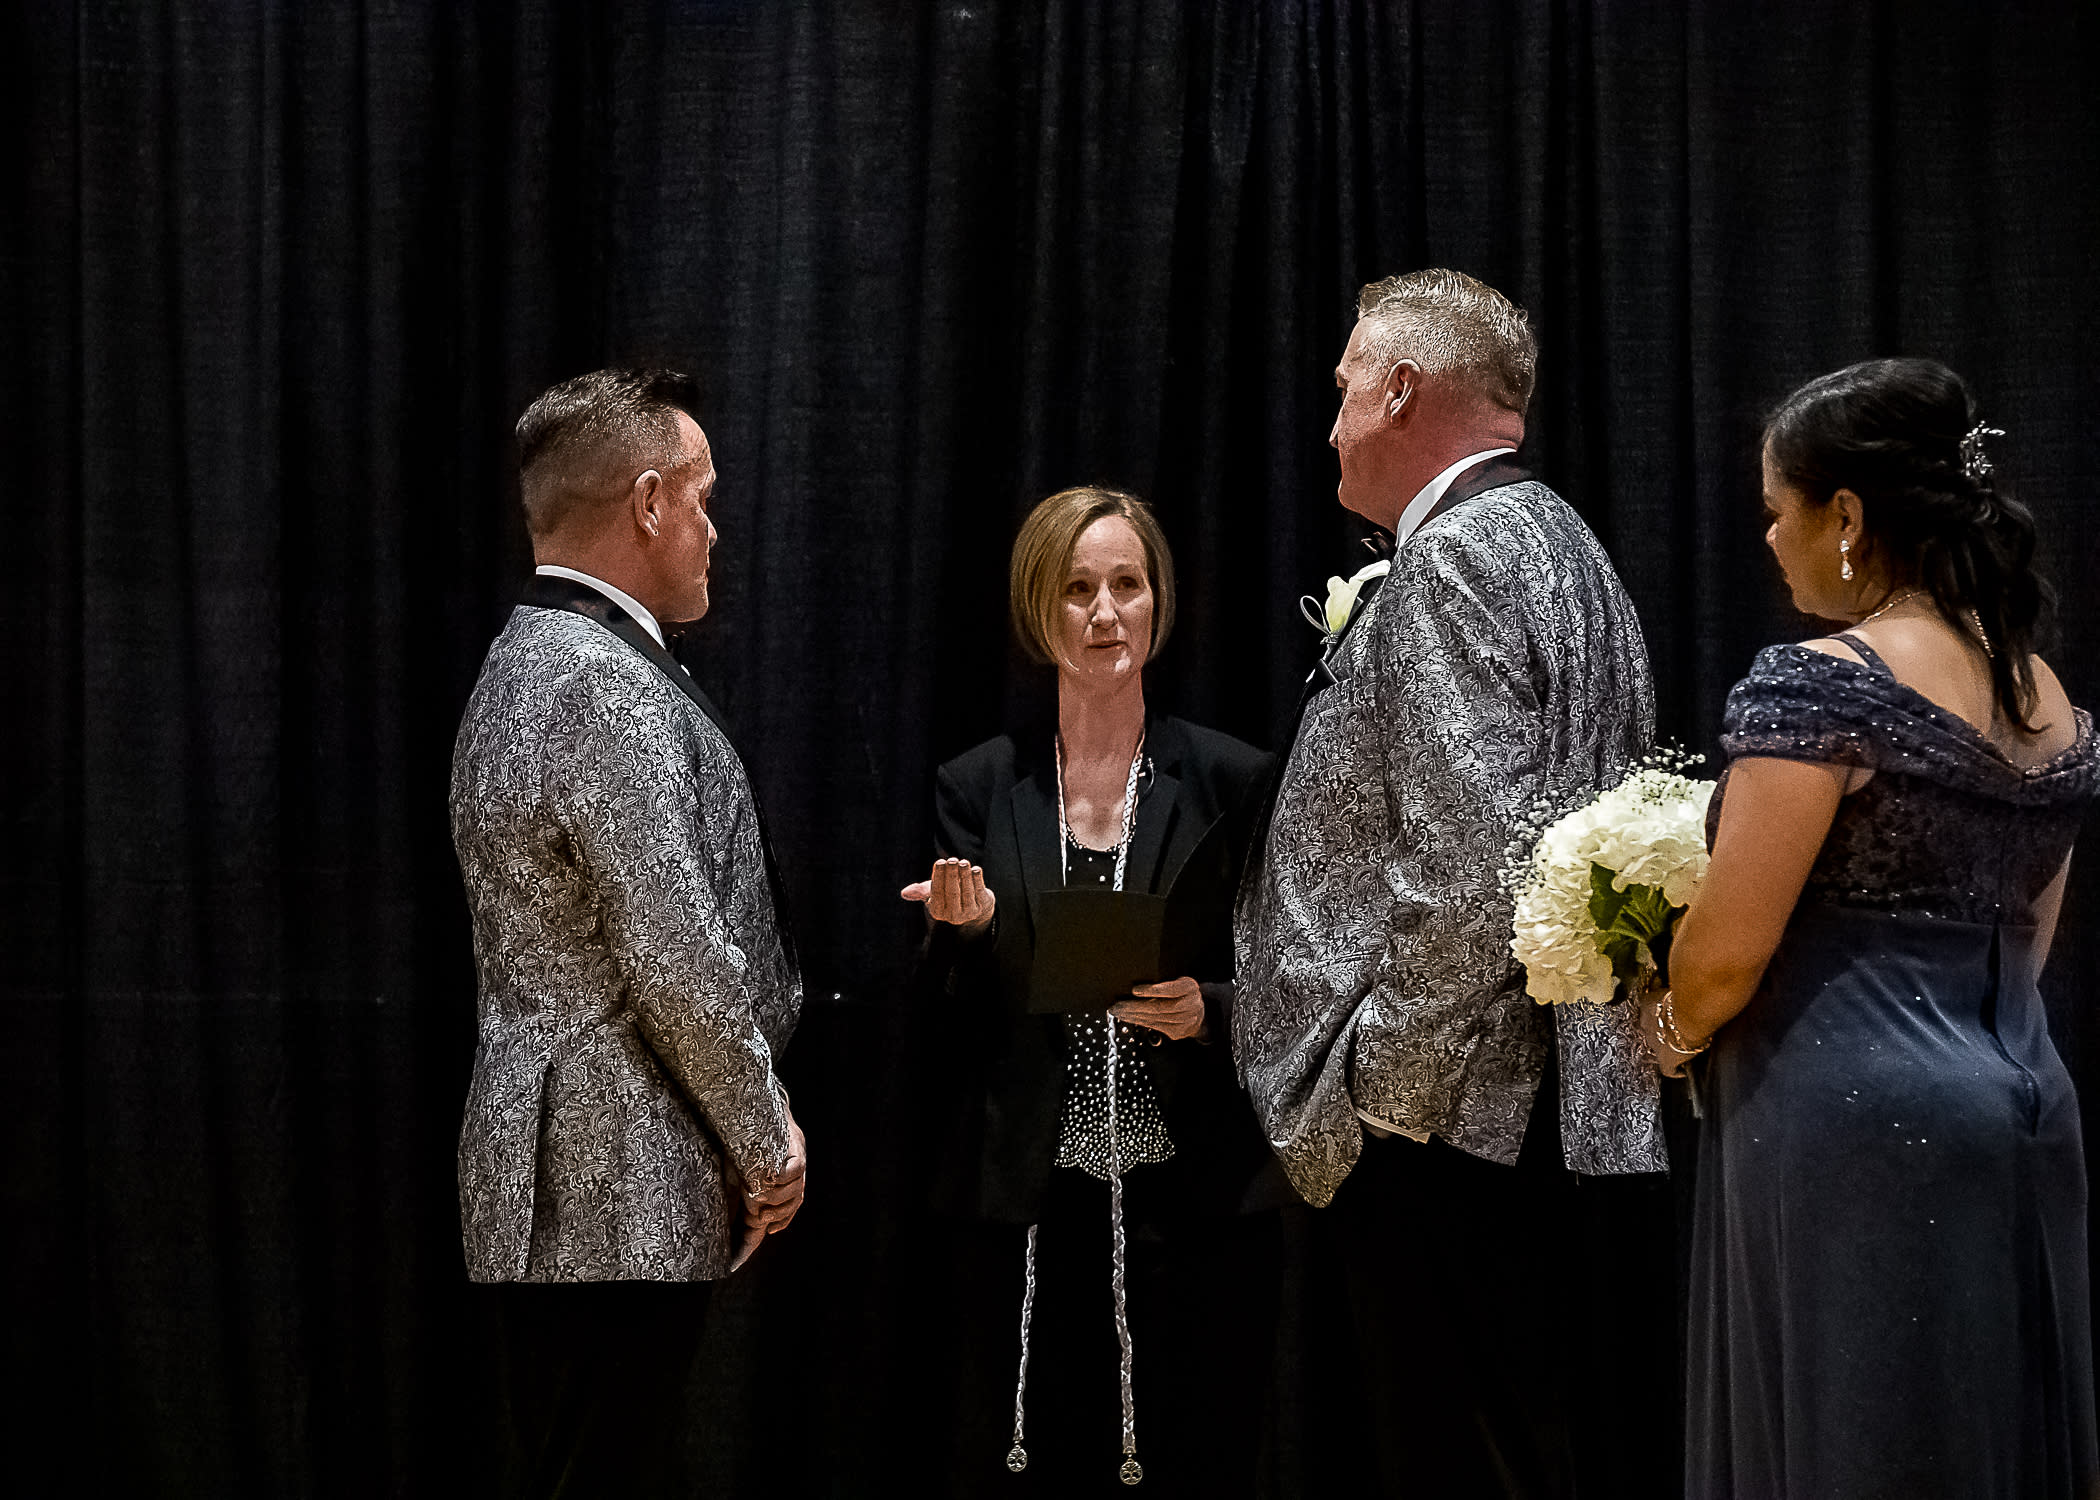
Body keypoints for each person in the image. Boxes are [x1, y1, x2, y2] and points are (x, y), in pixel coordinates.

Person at [1232, 268, 1674, 1498]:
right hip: (1542, 1108)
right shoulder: (1569, 544)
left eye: (1341, 393)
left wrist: (1384, 1097)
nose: (1329, 427)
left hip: (1453, 1128)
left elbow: (1476, 867)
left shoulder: (1459, 554)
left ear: (1403, 390)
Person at [1647, 357, 2099, 1498]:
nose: (1767, 539)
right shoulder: (2049, 699)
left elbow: (1726, 957)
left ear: (1844, 515)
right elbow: (2030, 946)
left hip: (1844, 1121)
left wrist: (1665, 1028)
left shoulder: (1819, 687)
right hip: (2024, 1102)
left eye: (1774, 511)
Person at [450, 368, 808, 1499]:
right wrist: (767, 1142)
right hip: (615, 1186)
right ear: (648, 501)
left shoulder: (521, 662)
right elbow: (676, 953)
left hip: (565, 1187)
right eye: (699, 498)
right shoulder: (598, 683)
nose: (712, 526)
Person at [901, 487, 1279, 1497]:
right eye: (1077, 590)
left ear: (1158, 605)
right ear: (1039, 609)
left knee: (1195, 1452)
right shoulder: (981, 785)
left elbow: (1291, 971)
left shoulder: (1229, 779)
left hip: (1189, 1201)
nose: (1104, 614)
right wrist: (967, 934)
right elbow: (943, 1020)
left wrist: (1215, 1010)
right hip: (1028, 1198)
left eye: (1126, 585)